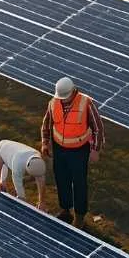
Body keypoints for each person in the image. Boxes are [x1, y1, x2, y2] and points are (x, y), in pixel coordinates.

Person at [40, 76, 105, 229]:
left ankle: (80, 216)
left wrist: (95, 150)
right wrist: (45, 143)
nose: (62, 100)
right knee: (61, 179)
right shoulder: (53, 102)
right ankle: (65, 210)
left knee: (79, 183)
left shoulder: (86, 103)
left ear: (73, 92)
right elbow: (46, 124)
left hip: (79, 150)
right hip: (59, 148)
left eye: (65, 97)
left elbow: (98, 128)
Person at [0, 139, 48, 211]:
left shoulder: (38, 159)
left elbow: (41, 182)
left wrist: (42, 202)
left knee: (7, 162)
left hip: (14, 152)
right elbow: (20, 193)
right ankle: (2, 182)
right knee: (1, 184)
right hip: (2, 148)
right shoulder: (17, 165)